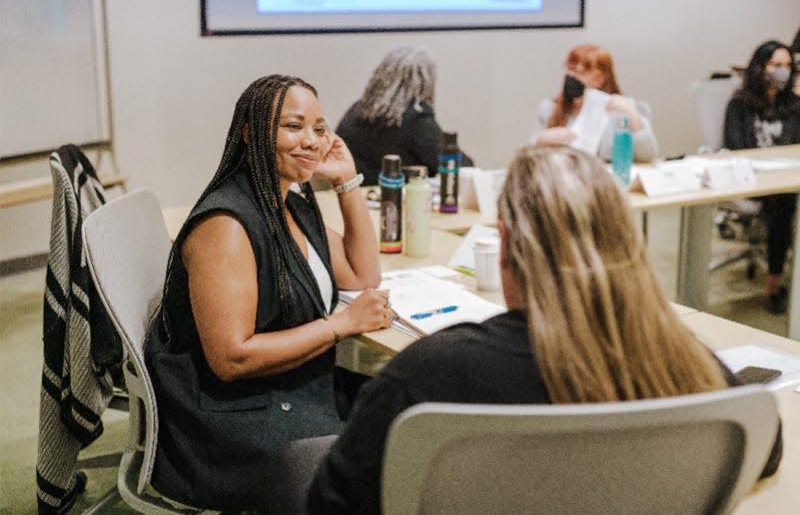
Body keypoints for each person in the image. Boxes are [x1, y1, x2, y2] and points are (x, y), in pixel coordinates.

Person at [306, 146, 782, 514]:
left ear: (508, 242)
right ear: (625, 242)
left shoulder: (427, 376)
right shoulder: (677, 356)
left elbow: (332, 505)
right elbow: (764, 446)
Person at [144, 75, 395, 511]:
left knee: (397, 411)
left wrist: (347, 181)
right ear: (250, 131)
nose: (312, 141)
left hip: (288, 385)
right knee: (374, 458)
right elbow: (231, 358)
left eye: (320, 129)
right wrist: (340, 325)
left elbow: (361, 274)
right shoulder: (226, 225)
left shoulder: (291, 202)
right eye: (293, 126)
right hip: (229, 418)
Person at [724, 40, 800, 314]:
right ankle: (774, 281)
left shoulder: (794, 105)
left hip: (786, 180)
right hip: (750, 181)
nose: (783, 71)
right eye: (776, 65)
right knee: (783, 206)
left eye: (788, 66)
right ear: (761, 67)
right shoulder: (740, 104)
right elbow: (734, 146)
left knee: (784, 199)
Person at [336, 45, 472, 186]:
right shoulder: (415, 119)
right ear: (425, 81)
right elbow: (459, 167)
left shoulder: (357, 109)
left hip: (353, 194)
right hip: (396, 197)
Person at [531, 44, 659, 162]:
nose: (571, 77)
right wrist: (540, 140)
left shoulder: (624, 110)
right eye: (569, 70)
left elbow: (648, 156)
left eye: (579, 72)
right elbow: (528, 160)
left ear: (600, 79)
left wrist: (632, 114)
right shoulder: (549, 109)